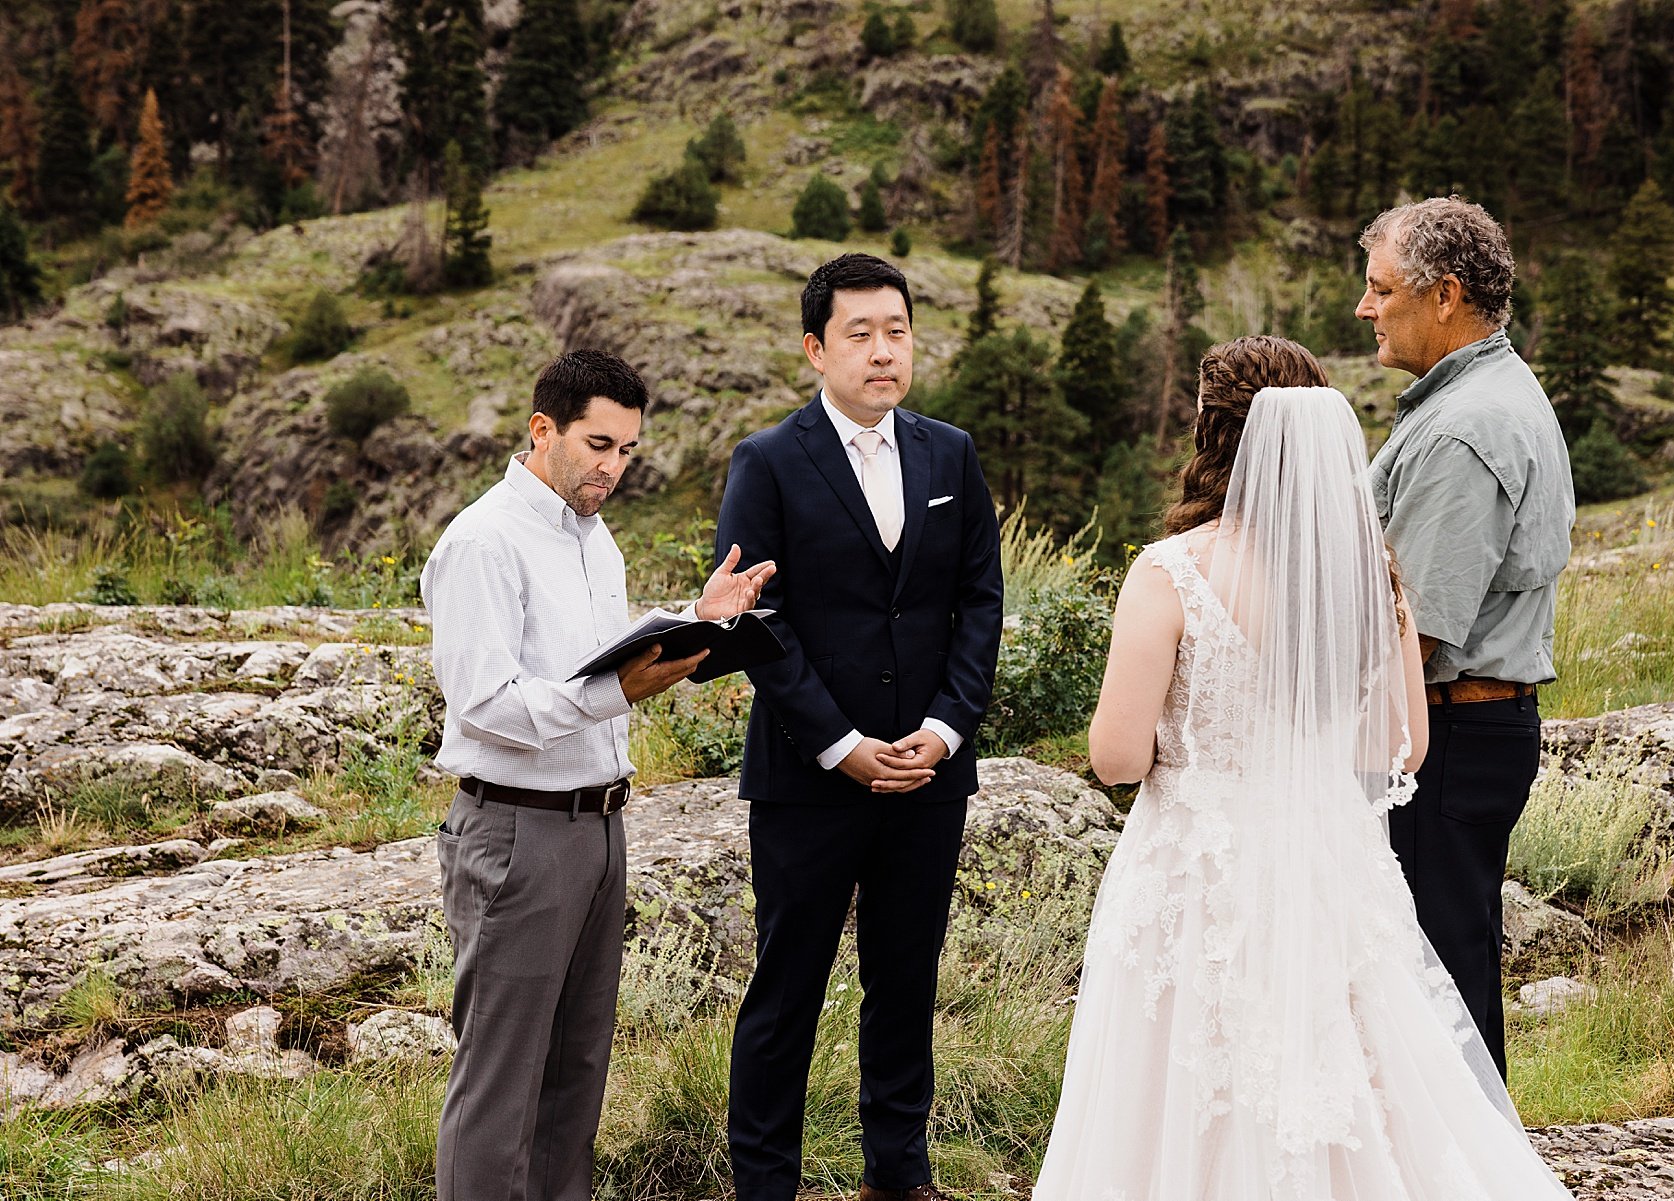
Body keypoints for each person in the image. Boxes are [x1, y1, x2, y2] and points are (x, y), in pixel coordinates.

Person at [1033, 335, 1574, 1200]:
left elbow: (1117, 756)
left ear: (1212, 432)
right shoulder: (1372, 575)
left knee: (1183, 1074)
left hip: (1196, 866)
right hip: (1327, 857)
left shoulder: (1169, 573)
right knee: (1347, 1064)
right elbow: (1396, 749)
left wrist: (1204, 742)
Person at [422, 349, 775, 1201]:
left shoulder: (595, 537)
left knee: (576, 1076)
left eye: (627, 451)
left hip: (602, 828)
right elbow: (485, 705)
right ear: (543, 430)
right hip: (516, 832)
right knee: (500, 1083)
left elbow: (585, 662)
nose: (613, 468)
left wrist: (695, 621)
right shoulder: (482, 541)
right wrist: (615, 691)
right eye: (598, 444)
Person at [714, 253, 1005, 1201]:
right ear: (815, 349)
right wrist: (840, 745)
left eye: (898, 331)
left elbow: (979, 603)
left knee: (905, 980)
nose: (884, 352)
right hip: (809, 776)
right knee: (786, 988)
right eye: (860, 334)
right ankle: (764, 1183)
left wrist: (946, 726)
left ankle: (900, 1172)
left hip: (928, 771)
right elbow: (760, 621)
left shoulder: (950, 453)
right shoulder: (766, 460)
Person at [1356, 196, 1575, 1078]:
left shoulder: (1462, 430)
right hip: (1461, 732)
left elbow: (1421, 631)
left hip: (1439, 735)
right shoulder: (1486, 395)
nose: (1366, 308)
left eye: (1381, 289)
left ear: (1444, 295)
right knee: (1449, 971)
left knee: (1434, 983)